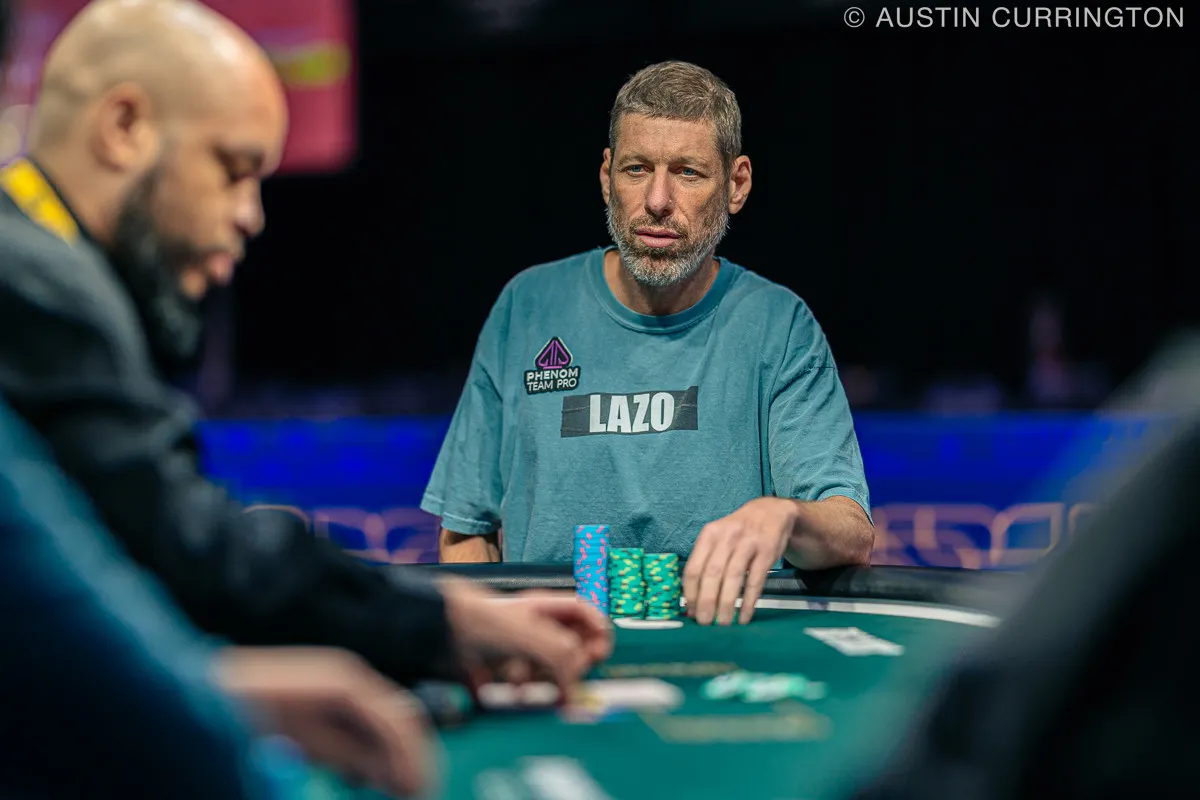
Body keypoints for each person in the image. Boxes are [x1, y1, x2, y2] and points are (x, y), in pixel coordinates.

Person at [0, 0, 610, 695]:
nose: (251, 217)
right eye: (233, 169)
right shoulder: (39, 286)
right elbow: (186, 545)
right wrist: (438, 621)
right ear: (124, 127)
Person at [423, 60, 875, 626]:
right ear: (606, 176)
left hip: (721, 648)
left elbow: (851, 532)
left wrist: (785, 516)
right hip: (556, 651)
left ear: (736, 184)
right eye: (637, 169)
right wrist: (503, 644)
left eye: (688, 172)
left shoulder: (778, 324)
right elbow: (465, 531)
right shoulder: (527, 306)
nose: (658, 200)